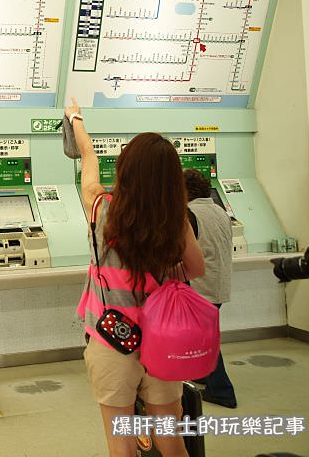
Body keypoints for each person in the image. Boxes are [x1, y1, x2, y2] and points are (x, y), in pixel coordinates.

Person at [68, 98, 205, 457]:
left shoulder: (100, 207)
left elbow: (88, 157)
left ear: (125, 170)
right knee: (171, 440)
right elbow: (196, 268)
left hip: (112, 339)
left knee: (122, 444)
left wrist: (76, 118)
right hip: (163, 340)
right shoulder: (174, 218)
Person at [184, 168, 237, 409]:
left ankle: (222, 391)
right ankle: (203, 374)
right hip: (218, 283)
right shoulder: (219, 210)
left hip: (200, 286)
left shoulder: (189, 213)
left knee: (207, 339)